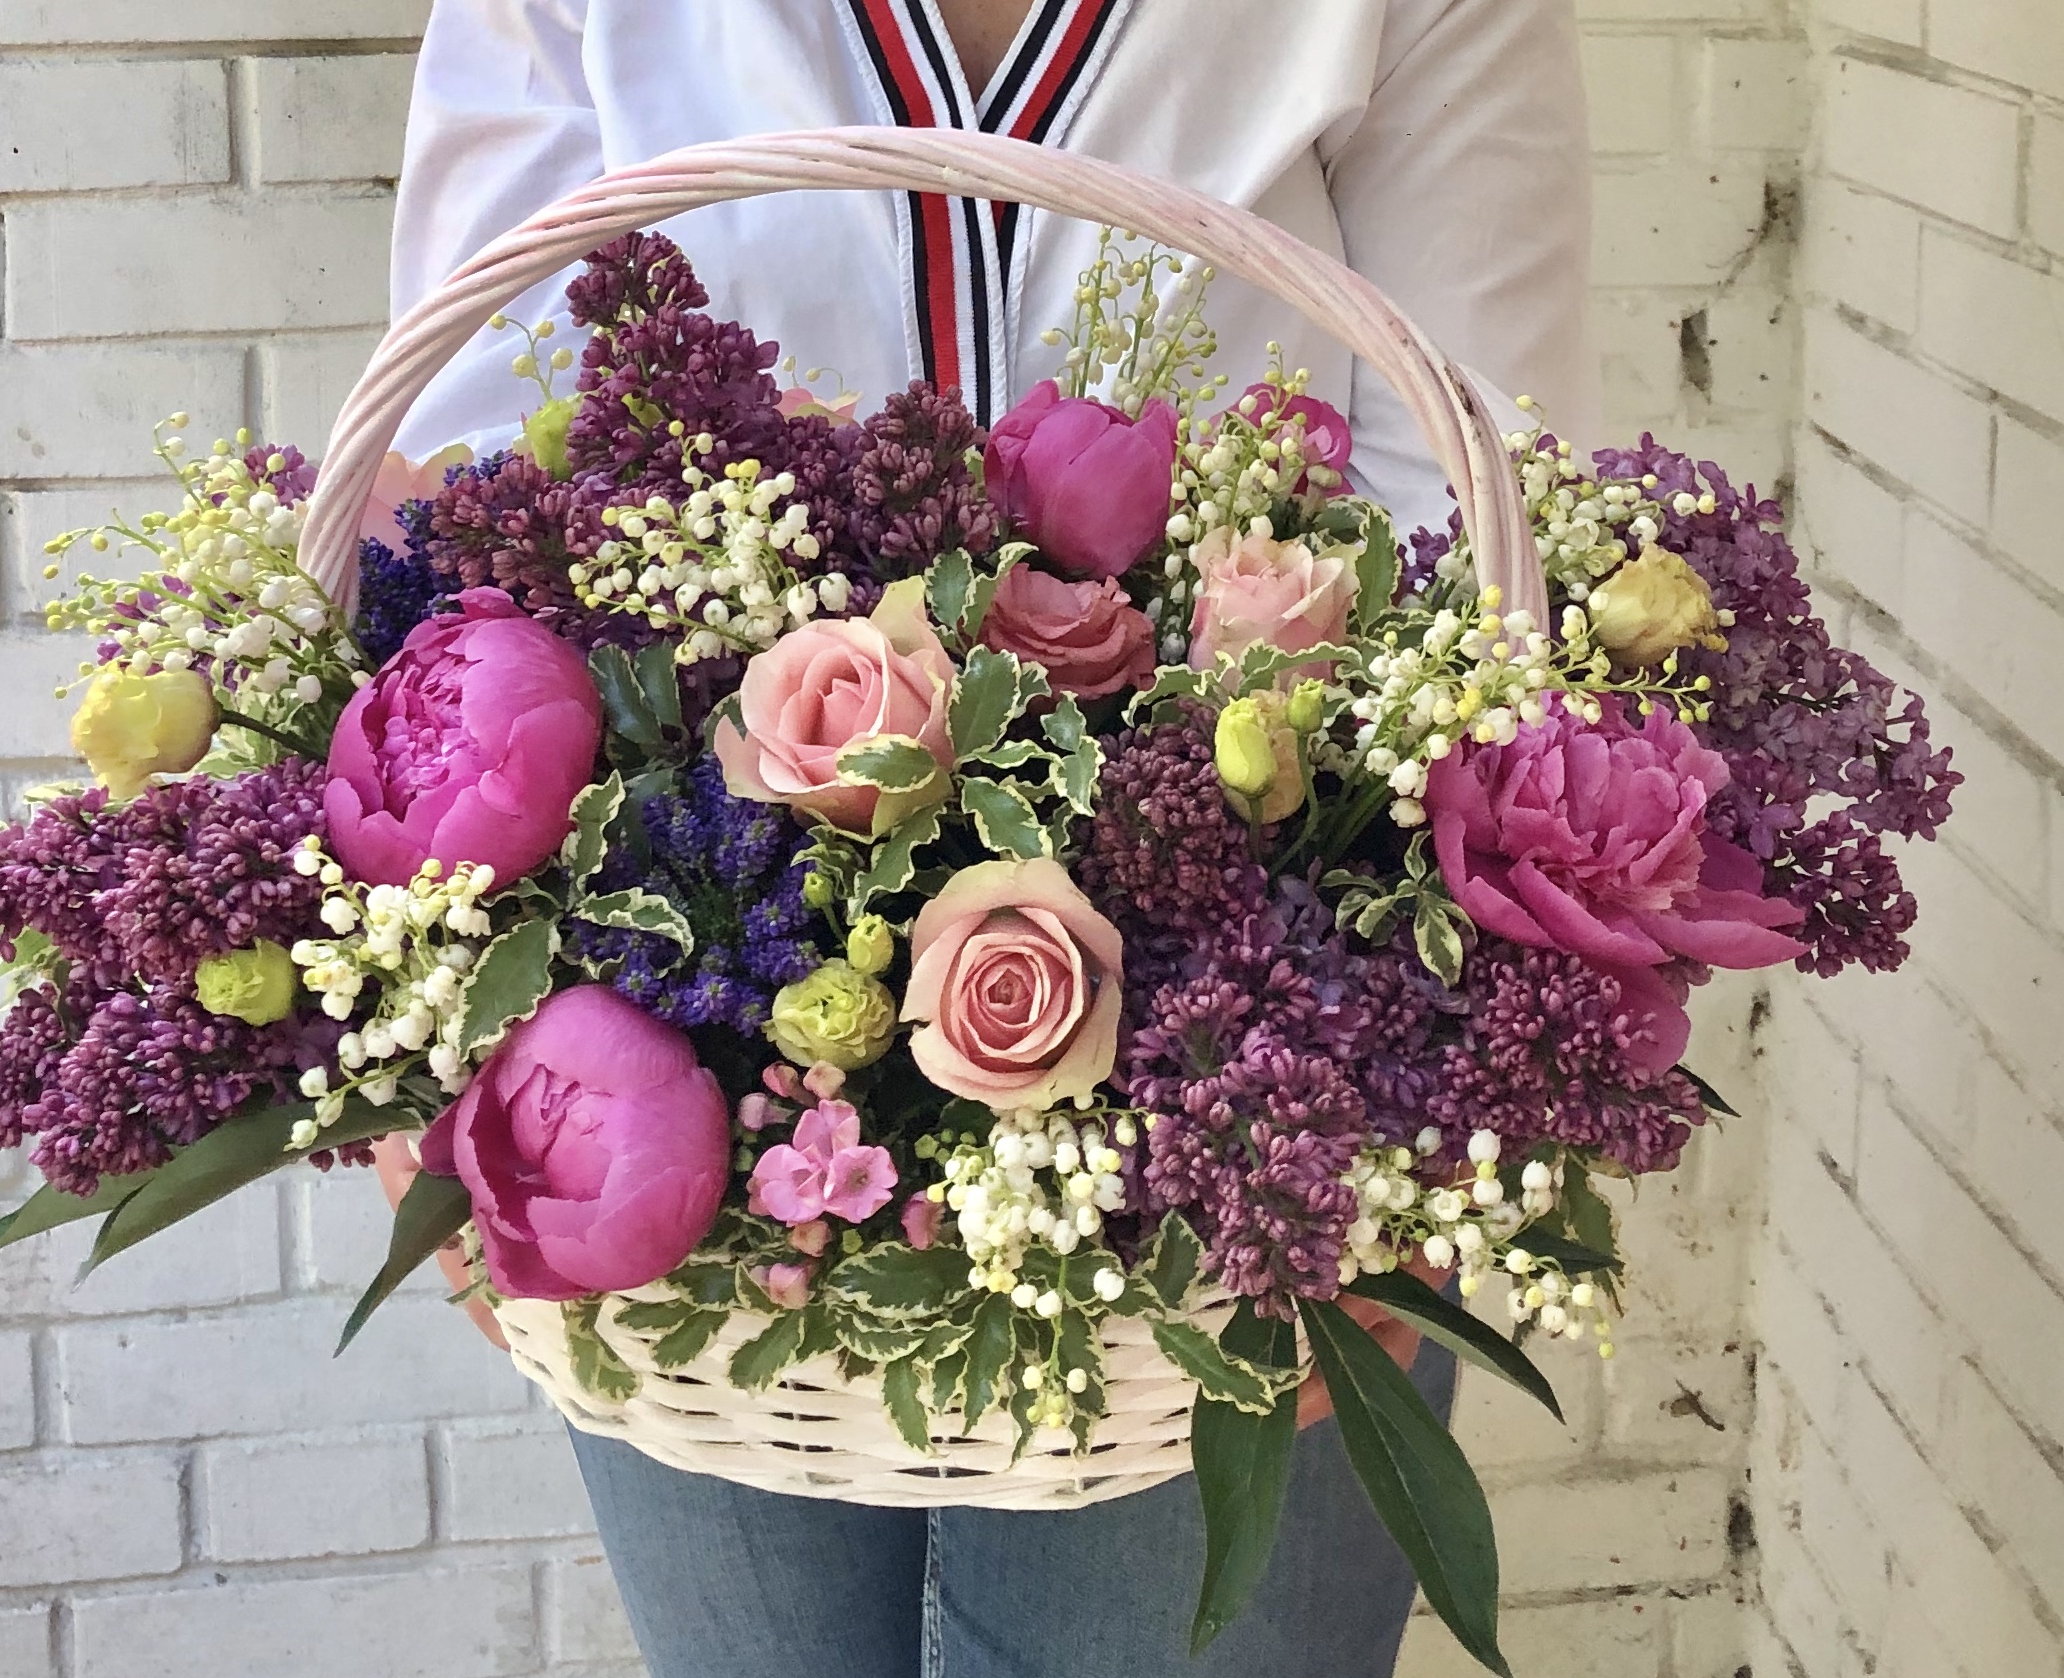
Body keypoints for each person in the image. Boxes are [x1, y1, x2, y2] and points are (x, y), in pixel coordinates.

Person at [380, 3, 1593, 1673]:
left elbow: (1479, 525)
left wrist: (1426, 1110)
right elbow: (463, 486)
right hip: (684, 1071)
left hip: (1231, 1104)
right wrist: (428, 1025)